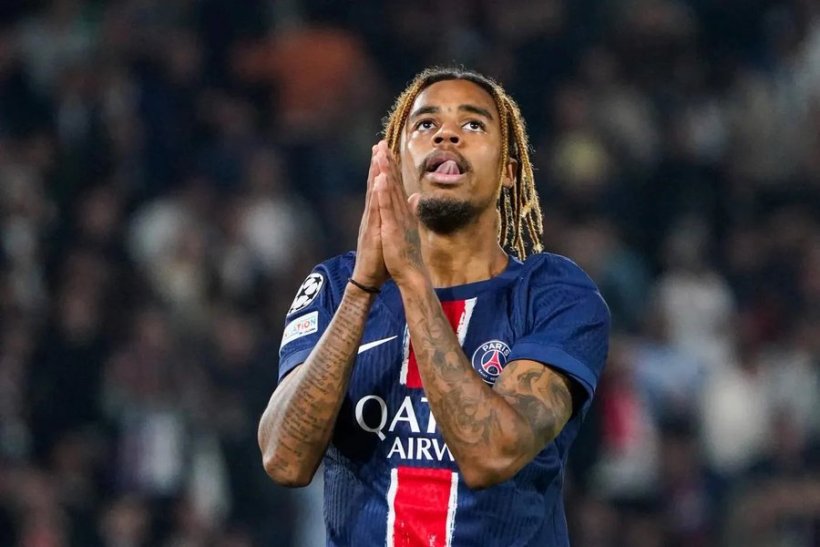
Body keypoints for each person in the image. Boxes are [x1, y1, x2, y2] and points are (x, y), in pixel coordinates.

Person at [258, 67, 611, 547]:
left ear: (509, 171)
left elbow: (490, 455)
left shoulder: (554, 293)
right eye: (426, 124)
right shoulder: (335, 287)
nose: (446, 134)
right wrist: (362, 288)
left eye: (473, 124)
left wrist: (412, 280)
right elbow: (284, 461)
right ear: (396, 163)